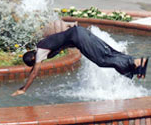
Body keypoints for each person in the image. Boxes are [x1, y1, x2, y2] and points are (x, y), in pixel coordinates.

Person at [12, 21, 149, 96]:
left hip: (80, 37)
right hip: (80, 32)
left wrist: (24, 88)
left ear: (33, 57)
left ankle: (135, 62)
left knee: (102, 60)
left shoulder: (41, 50)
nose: (37, 63)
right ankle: (135, 67)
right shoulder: (43, 46)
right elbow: (65, 30)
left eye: (34, 62)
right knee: (107, 53)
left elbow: (35, 72)